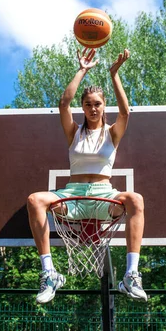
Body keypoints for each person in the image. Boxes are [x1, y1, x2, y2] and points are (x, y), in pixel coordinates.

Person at [27, 47, 147, 304]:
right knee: (35, 200)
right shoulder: (74, 132)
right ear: (83, 107)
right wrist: (82, 69)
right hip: (73, 195)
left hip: (104, 196)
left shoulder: (112, 133)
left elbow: (126, 112)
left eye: (98, 104)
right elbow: (63, 103)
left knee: (135, 199)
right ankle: (49, 273)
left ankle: (131, 275)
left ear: (104, 107)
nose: (93, 108)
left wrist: (114, 74)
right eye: (88, 104)